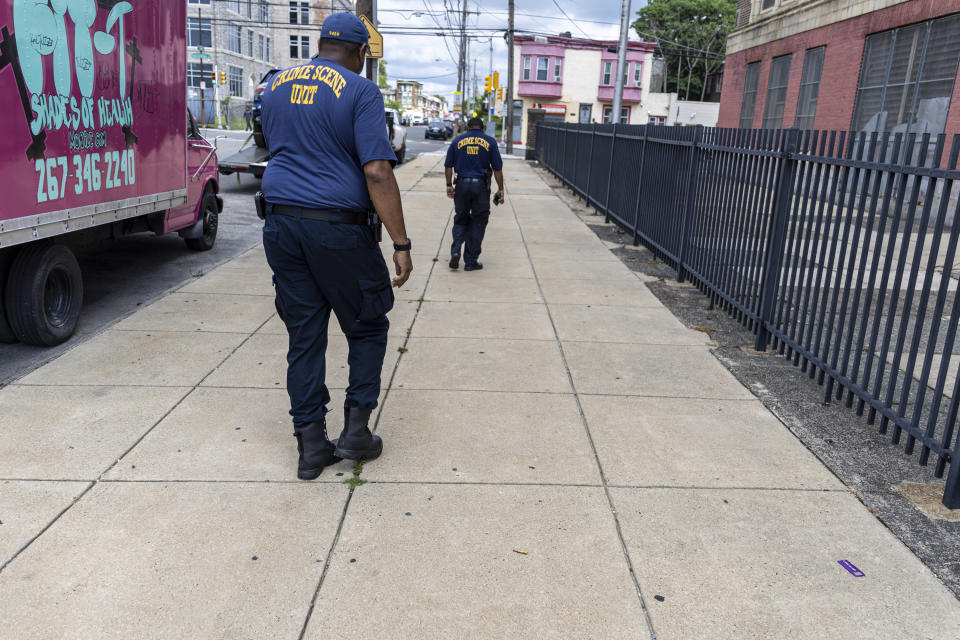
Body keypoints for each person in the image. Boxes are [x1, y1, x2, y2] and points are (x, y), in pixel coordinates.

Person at [259, 13, 413, 480]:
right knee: (367, 326)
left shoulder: (275, 85)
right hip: (338, 230)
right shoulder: (360, 90)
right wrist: (401, 242)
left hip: (281, 224)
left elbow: (279, 144)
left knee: (304, 333)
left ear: (321, 43)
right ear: (360, 52)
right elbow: (377, 171)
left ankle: (310, 446)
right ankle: (355, 434)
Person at [445, 117, 504, 270]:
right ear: (482, 127)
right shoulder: (490, 142)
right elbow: (497, 168)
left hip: (462, 185)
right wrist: (500, 188)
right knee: (478, 222)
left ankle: (456, 250)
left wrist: (448, 185)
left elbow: (448, 166)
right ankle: (470, 261)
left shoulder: (457, 141)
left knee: (460, 219)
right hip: (480, 187)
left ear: (468, 127)